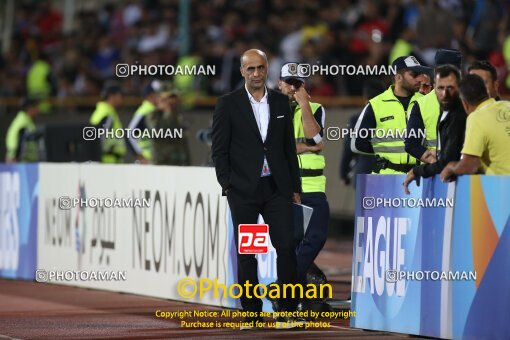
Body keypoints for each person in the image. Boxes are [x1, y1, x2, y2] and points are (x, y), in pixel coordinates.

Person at [211, 49, 303, 329]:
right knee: (248, 252)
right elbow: (219, 150)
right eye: (249, 69)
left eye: (260, 68)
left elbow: (288, 148)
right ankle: (251, 313)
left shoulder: (279, 102)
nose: (255, 73)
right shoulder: (228, 104)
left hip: (276, 188)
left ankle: (286, 310)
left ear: (267, 70)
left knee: (286, 247)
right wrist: (228, 185)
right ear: (242, 71)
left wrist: (294, 187)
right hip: (244, 192)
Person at [277, 63, 330, 310]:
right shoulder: (272, 110)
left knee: (317, 237)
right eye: (288, 82)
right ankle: (292, 295)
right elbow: (275, 149)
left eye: (297, 83)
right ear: (279, 84)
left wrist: (304, 105)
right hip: (286, 185)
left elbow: (316, 138)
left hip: (314, 183)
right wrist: (307, 147)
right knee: (294, 241)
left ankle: (284, 286)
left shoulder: (315, 108)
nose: (292, 88)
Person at [351, 55, 428, 174]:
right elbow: (357, 143)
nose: (419, 79)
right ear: (398, 77)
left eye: (420, 74)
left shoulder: (426, 102)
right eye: (413, 74)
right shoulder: (376, 104)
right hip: (386, 178)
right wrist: (385, 151)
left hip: (420, 175)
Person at [403, 65, 466, 194]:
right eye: (441, 87)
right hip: (446, 175)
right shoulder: (456, 108)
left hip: (459, 177)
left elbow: (411, 145)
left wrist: (421, 168)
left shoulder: (463, 110)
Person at [440, 74, 510, 180]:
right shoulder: (507, 105)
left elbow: (470, 165)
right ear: (486, 92)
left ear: (464, 103)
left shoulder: (476, 117)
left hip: (503, 187)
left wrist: (452, 168)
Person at [404, 49, 462, 164]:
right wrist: (434, 162)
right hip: (435, 173)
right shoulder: (421, 105)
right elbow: (411, 144)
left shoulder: (470, 99)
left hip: (461, 171)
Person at [340, 80, 384, 186]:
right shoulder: (392, 118)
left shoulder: (356, 120)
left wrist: (344, 173)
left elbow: (349, 147)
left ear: (365, 97)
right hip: (387, 174)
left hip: (364, 172)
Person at [147, 83, 190, 165]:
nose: (173, 100)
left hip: (179, 161)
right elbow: (158, 133)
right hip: (162, 161)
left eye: (174, 97)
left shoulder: (178, 114)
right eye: (169, 97)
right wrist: (167, 112)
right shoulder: (154, 115)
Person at [89, 81, 126, 163]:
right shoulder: (107, 114)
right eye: (120, 95)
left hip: (106, 161)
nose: (122, 98)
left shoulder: (101, 112)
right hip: (108, 162)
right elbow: (99, 139)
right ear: (112, 96)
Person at [127, 80, 160, 163]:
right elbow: (129, 134)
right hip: (146, 160)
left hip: (154, 158)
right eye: (157, 94)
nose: (160, 97)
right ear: (150, 96)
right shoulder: (144, 111)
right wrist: (140, 156)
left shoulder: (155, 111)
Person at [5, 98, 41, 162]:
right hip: (22, 165)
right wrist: (12, 157)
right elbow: (14, 139)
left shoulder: (26, 120)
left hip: (29, 164)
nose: (38, 110)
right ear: (30, 108)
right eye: (36, 107)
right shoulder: (22, 123)